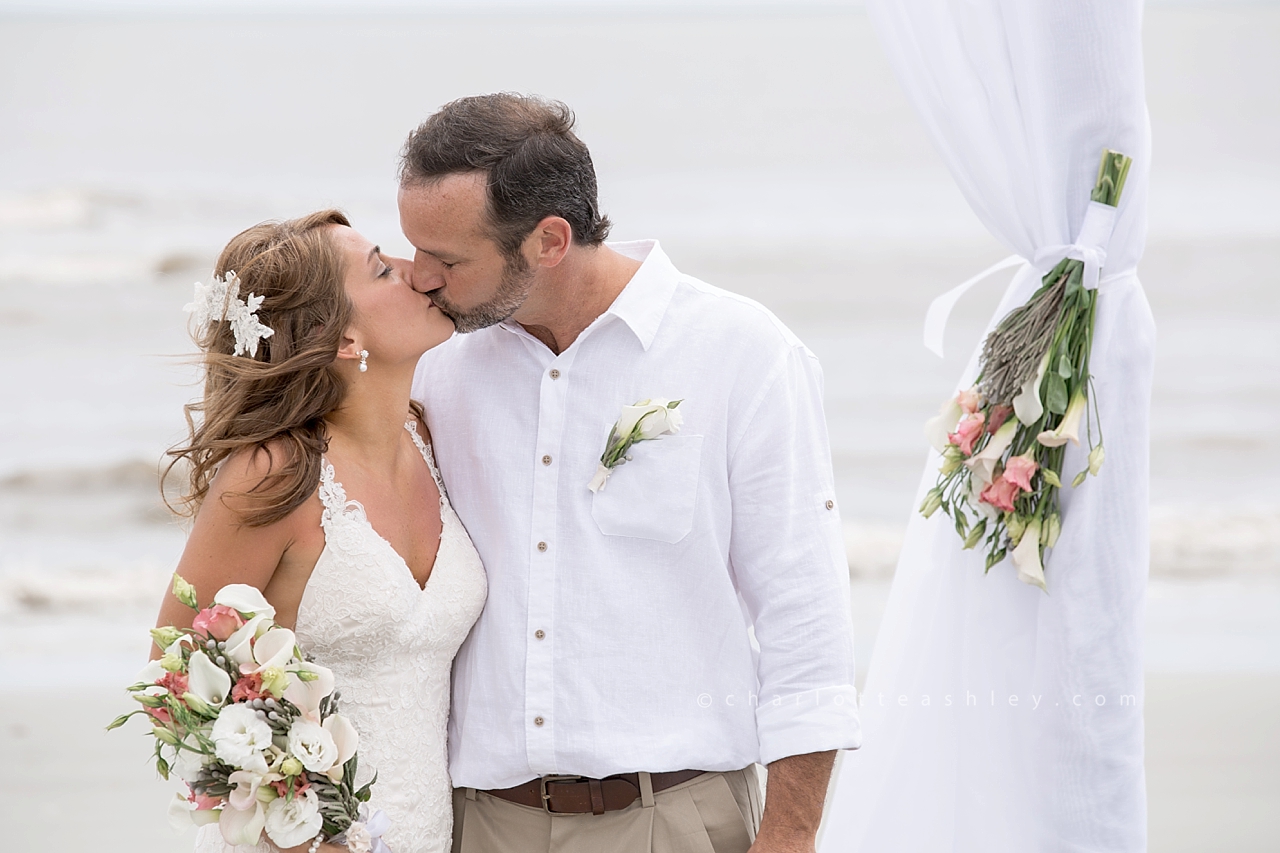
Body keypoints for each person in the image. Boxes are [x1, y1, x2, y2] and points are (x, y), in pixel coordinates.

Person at [400, 94, 860, 853]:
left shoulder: (742, 352)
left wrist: (791, 833)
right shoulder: (432, 369)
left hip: (674, 818)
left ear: (549, 240)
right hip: (476, 823)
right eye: (414, 248)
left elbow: (803, 612)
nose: (420, 278)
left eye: (446, 259)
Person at [152, 210, 488, 853]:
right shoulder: (273, 475)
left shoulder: (432, 440)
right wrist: (301, 836)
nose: (419, 274)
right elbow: (174, 681)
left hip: (432, 831)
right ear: (344, 339)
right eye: (384, 270)